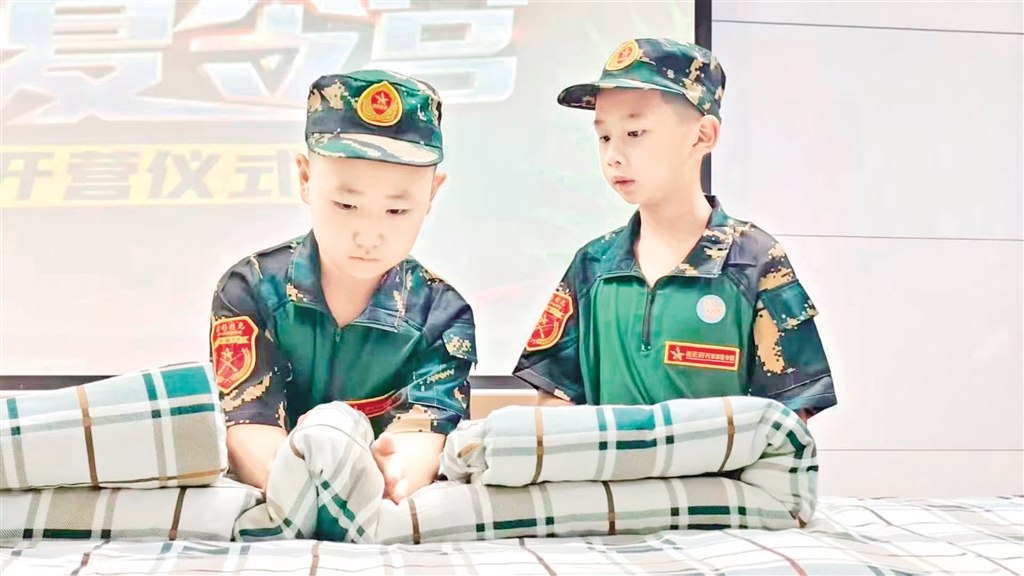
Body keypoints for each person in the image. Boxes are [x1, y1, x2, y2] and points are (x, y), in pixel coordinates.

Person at [513, 38, 836, 423]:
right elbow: (555, 401)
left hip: (722, 466)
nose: (613, 156)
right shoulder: (593, 265)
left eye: (635, 133)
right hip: (605, 465)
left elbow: (789, 417)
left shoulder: (754, 261)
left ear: (702, 136)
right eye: (604, 136)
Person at [210, 71, 476, 503]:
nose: (368, 235)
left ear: (432, 194)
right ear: (305, 178)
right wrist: (301, 486)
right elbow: (248, 423)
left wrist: (391, 477)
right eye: (346, 204)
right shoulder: (251, 290)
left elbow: (423, 436)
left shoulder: (442, 315)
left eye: (396, 210)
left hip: (382, 515)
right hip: (273, 508)